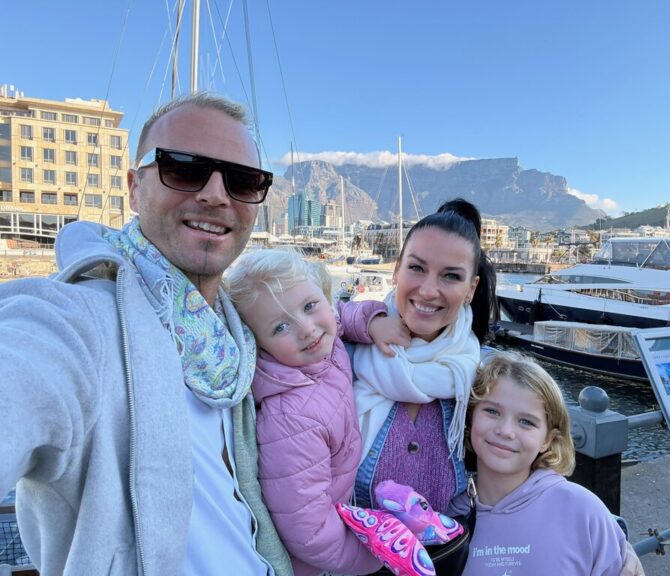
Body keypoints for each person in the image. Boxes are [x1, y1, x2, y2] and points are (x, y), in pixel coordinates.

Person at [0, 92, 293, 575]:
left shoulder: (236, 340)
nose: (216, 195)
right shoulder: (81, 322)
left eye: (242, 181)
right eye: (184, 168)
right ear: (134, 189)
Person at [227, 248, 410, 576]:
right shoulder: (290, 420)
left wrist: (373, 322)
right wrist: (373, 556)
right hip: (317, 563)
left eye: (310, 306)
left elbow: (341, 315)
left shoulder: (318, 348)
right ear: (258, 344)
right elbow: (309, 533)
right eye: (280, 327)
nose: (307, 329)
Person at [353, 198, 498, 514]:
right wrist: (364, 322)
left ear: (471, 289)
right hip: (351, 545)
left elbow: (522, 463)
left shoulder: (482, 377)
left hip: (452, 545)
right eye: (417, 268)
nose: (429, 290)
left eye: (451, 276)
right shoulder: (348, 351)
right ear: (397, 270)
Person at [451, 351, 631, 575]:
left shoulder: (584, 513)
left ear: (548, 439)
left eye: (526, 422)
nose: (506, 431)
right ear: (470, 417)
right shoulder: (443, 517)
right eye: (492, 411)